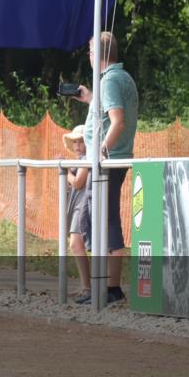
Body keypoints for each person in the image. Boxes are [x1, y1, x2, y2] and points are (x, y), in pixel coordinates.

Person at [74, 31, 138, 304]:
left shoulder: (110, 80)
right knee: (102, 219)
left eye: (89, 52)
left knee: (105, 220)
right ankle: (107, 287)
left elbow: (117, 120)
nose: (88, 57)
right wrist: (91, 99)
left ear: (97, 55)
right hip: (109, 159)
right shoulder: (119, 78)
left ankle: (110, 287)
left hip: (106, 162)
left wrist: (100, 150)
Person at [62, 125, 92, 304]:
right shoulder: (81, 159)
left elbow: (78, 183)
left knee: (76, 244)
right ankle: (85, 285)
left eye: (81, 141)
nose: (78, 145)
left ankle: (87, 287)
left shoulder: (87, 158)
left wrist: (65, 171)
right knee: (76, 245)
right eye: (75, 141)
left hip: (82, 204)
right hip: (78, 204)